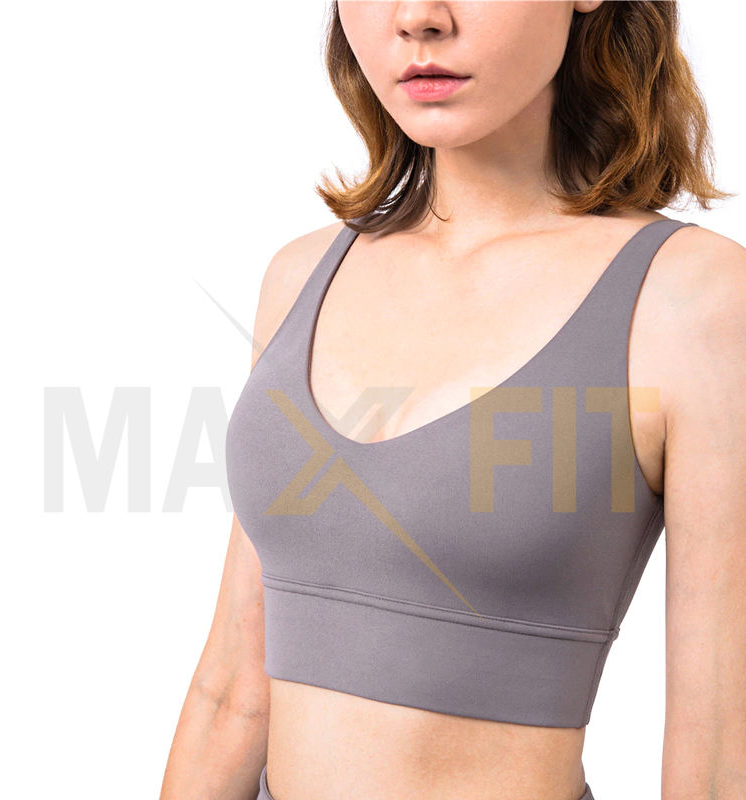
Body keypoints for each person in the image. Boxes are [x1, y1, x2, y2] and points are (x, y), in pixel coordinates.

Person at [160, 3, 746, 799]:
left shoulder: (695, 300)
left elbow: (716, 757)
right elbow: (232, 691)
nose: (418, 17)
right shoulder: (301, 277)